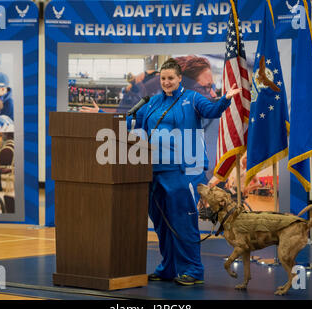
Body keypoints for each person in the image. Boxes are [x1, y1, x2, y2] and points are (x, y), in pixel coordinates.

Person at [81, 58, 241, 285]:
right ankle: (168, 268)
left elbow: (212, 110)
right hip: (154, 170)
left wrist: (225, 99)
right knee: (161, 222)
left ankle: (193, 271)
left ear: (179, 79)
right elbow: (129, 123)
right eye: (163, 79)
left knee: (182, 222)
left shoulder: (193, 98)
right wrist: (101, 115)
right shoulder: (151, 102)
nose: (166, 82)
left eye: (171, 78)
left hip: (185, 171)